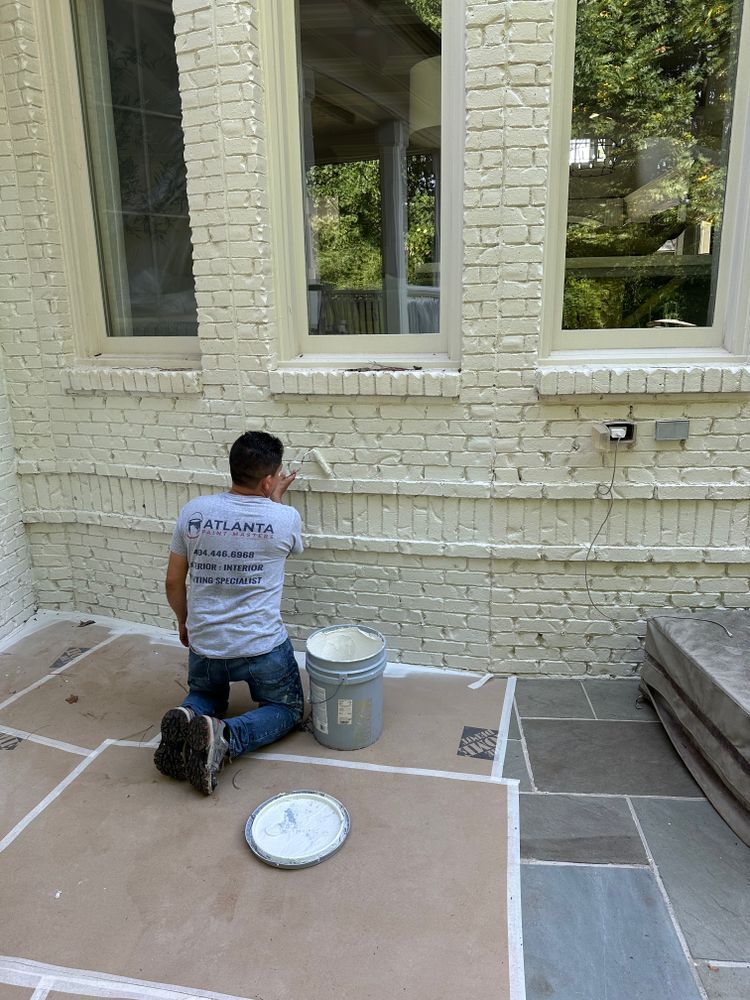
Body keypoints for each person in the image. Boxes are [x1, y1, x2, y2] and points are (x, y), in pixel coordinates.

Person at [154, 430, 304, 795]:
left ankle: (189, 715)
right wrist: (276, 503)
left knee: (207, 695)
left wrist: (183, 622)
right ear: (269, 480)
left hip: (206, 642)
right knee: (287, 711)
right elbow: (285, 547)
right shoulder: (285, 519)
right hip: (260, 647)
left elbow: (174, 581)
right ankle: (226, 736)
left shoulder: (194, 512)